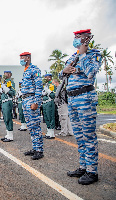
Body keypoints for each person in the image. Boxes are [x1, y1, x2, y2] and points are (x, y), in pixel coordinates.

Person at [61, 29, 102, 185]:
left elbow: (91, 73)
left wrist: (83, 54)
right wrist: (63, 71)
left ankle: (92, 171)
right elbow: (62, 74)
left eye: (78, 37)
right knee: (79, 136)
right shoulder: (72, 57)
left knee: (88, 136)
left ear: (86, 39)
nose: (76, 40)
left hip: (85, 97)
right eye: (75, 37)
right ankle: (83, 167)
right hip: (72, 99)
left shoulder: (94, 54)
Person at [20, 52, 44, 160]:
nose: (21, 59)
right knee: (30, 126)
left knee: (35, 126)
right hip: (25, 100)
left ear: (28, 58)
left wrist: (36, 102)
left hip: (32, 99)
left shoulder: (34, 69)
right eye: (20, 57)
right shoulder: (25, 71)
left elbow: (39, 86)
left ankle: (39, 150)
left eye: (22, 57)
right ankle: (35, 147)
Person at [0, 71, 16, 142]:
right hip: (3, 102)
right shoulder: (4, 82)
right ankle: (8, 134)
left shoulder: (10, 82)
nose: (4, 75)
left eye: (5, 74)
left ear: (9, 75)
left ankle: (10, 136)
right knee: (5, 118)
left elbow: (13, 92)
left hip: (7, 101)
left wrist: (6, 89)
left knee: (8, 118)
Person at [42, 74, 56, 139]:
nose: (45, 78)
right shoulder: (44, 85)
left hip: (49, 102)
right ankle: (48, 131)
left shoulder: (51, 85)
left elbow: (53, 95)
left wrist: (48, 91)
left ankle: (52, 133)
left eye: (46, 77)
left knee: (50, 117)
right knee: (46, 117)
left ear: (50, 78)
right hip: (44, 103)